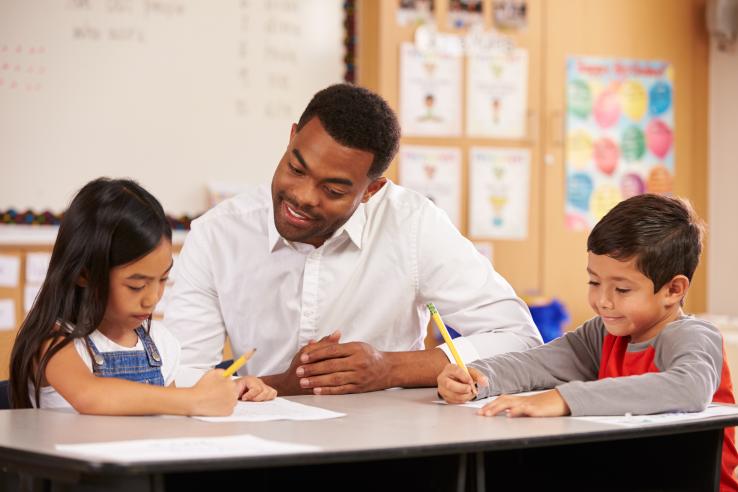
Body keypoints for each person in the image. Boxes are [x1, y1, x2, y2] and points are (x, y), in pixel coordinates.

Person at [165, 83, 541, 396]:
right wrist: (284, 384)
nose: (303, 196)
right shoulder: (218, 235)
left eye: (333, 189)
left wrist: (390, 368)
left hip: (390, 453)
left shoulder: (412, 224)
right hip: (262, 454)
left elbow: (519, 337)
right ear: (292, 137)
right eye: (296, 168)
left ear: (371, 190)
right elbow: (178, 377)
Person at [437, 193, 738, 491]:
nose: (602, 301)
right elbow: (539, 362)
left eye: (621, 289)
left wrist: (564, 399)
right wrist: (477, 375)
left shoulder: (695, 336)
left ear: (673, 289)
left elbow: (687, 388)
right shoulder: (602, 334)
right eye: (594, 282)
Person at [9, 178, 276, 415]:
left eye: (162, 280)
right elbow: (90, 396)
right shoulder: (54, 341)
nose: (152, 299)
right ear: (84, 275)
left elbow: (167, 407)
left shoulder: (160, 343)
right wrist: (192, 399)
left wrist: (230, 390)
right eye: (136, 286)